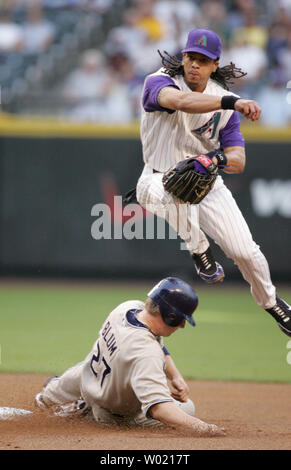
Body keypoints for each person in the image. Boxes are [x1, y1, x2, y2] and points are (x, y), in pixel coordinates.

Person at [134, 28, 291, 337]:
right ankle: (200, 252)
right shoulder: (160, 81)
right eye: (191, 57)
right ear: (183, 56)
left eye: (203, 61)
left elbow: (238, 159)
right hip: (154, 179)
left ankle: (274, 304)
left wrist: (215, 159)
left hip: (206, 184)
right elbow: (180, 101)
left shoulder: (223, 103)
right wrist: (231, 101)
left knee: (245, 251)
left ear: (215, 64)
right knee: (171, 190)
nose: (195, 65)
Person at [35, 277, 225, 436]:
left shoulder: (127, 308)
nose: (183, 326)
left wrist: (175, 376)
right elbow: (160, 410)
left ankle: (50, 394)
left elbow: (158, 343)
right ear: (170, 316)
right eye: (182, 319)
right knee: (187, 408)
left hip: (85, 378)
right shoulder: (146, 353)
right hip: (112, 414)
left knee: (103, 365)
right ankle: (86, 411)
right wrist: (205, 428)